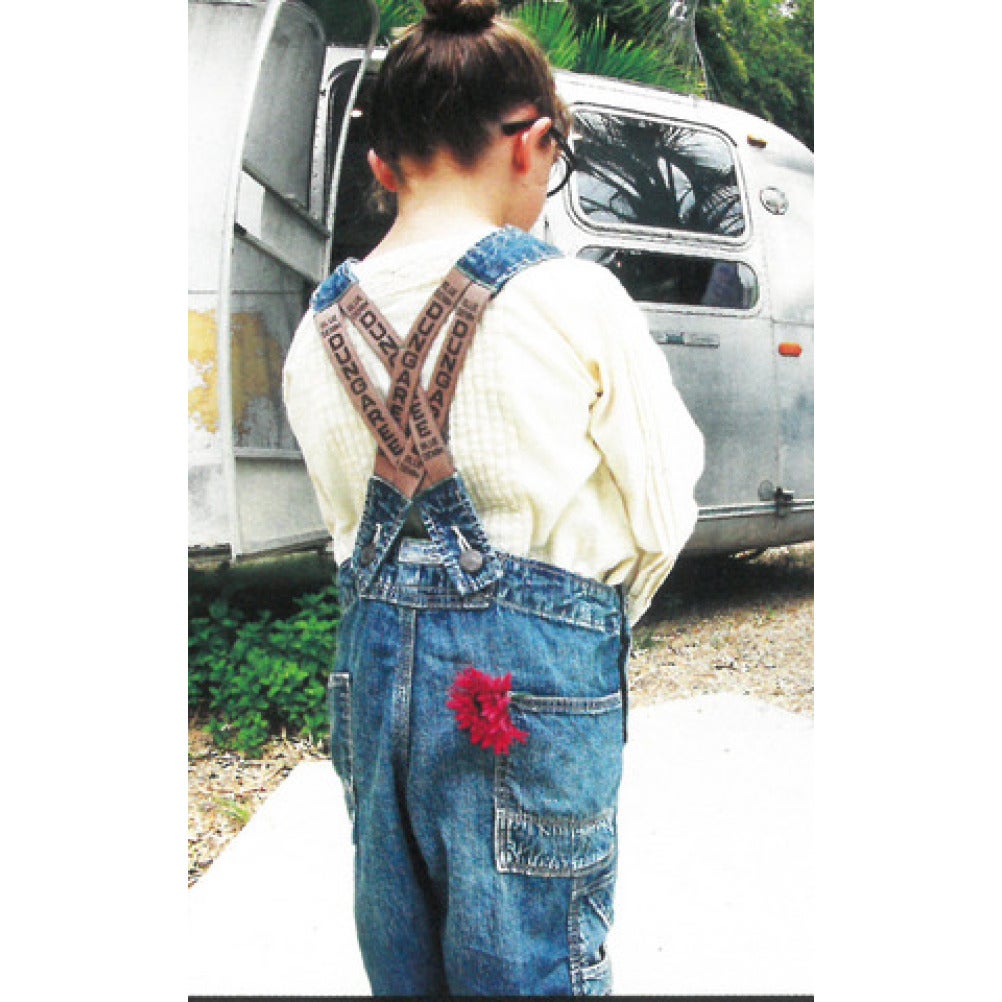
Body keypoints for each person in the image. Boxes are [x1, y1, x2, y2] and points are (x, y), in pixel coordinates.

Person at [282, 0, 704, 994]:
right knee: (538, 967)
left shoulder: (315, 334)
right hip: (531, 691)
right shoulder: (571, 297)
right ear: (532, 143)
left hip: (371, 681)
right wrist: (568, 626)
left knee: (407, 967)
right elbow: (664, 508)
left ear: (381, 166)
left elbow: (346, 534)